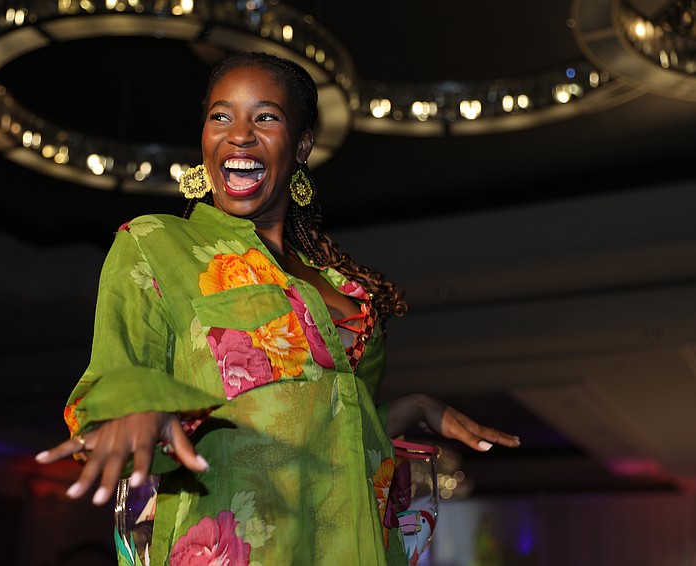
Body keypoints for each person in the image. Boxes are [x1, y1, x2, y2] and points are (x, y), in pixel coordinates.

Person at [35, 51, 520, 565]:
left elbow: (325, 422)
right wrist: (134, 411)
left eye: (265, 116)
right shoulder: (156, 245)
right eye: (220, 116)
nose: (238, 134)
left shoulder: (347, 290)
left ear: (302, 143)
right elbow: (114, 376)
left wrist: (411, 409)